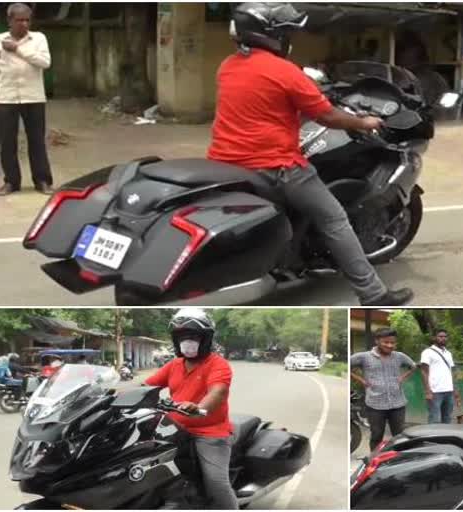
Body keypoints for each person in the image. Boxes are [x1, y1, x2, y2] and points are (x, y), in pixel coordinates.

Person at [206, 3, 413, 306]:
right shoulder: (284, 71)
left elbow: (264, 104)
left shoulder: (227, 67)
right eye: (287, 33)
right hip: (276, 168)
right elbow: (328, 116)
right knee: (334, 219)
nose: (289, 39)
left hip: (225, 165)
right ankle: (373, 294)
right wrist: (363, 122)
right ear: (270, 35)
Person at [144, 308, 237, 509]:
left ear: (206, 339)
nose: (187, 342)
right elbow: (146, 386)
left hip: (209, 433)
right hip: (171, 428)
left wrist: (199, 408)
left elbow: (217, 393)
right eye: (182, 337)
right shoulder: (174, 364)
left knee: (216, 482)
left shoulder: (218, 365)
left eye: (193, 337)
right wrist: (110, 393)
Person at [0, 3, 54, 196]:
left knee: (37, 141)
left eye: (27, 19)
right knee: (7, 142)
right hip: (6, 98)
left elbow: (45, 62)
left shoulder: (38, 38)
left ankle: (42, 181)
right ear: (9, 20)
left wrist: (17, 49)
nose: (24, 24)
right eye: (19, 20)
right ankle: (11, 182)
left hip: (33, 97)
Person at [350, 328, 417, 451]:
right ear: (377, 341)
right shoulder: (364, 357)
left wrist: (402, 377)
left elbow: (413, 366)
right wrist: (361, 380)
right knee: (376, 435)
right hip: (375, 404)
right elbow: (348, 365)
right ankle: (375, 461)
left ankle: (397, 459)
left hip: (398, 403)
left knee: (399, 436)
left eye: (393, 342)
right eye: (386, 342)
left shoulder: (399, 356)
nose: (390, 345)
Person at [420, 328, 460, 424]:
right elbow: (424, 372)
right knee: (435, 419)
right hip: (435, 392)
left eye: (445, 337)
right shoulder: (427, 352)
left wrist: (455, 390)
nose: (443, 338)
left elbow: (451, 372)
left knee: (447, 418)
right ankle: (432, 439)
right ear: (434, 338)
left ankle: (444, 438)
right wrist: (428, 391)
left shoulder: (448, 353)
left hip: (449, 391)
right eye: (440, 336)